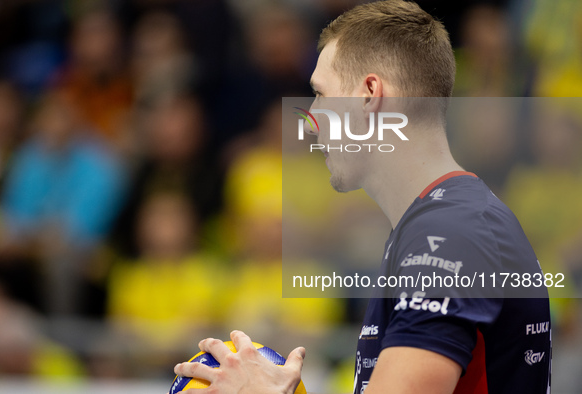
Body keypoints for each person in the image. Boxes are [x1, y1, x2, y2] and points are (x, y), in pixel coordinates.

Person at [172, 1, 551, 393]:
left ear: (370, 95)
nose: (311, 120)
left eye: (320, 94)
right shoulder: (443, 222)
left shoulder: (448, 233)